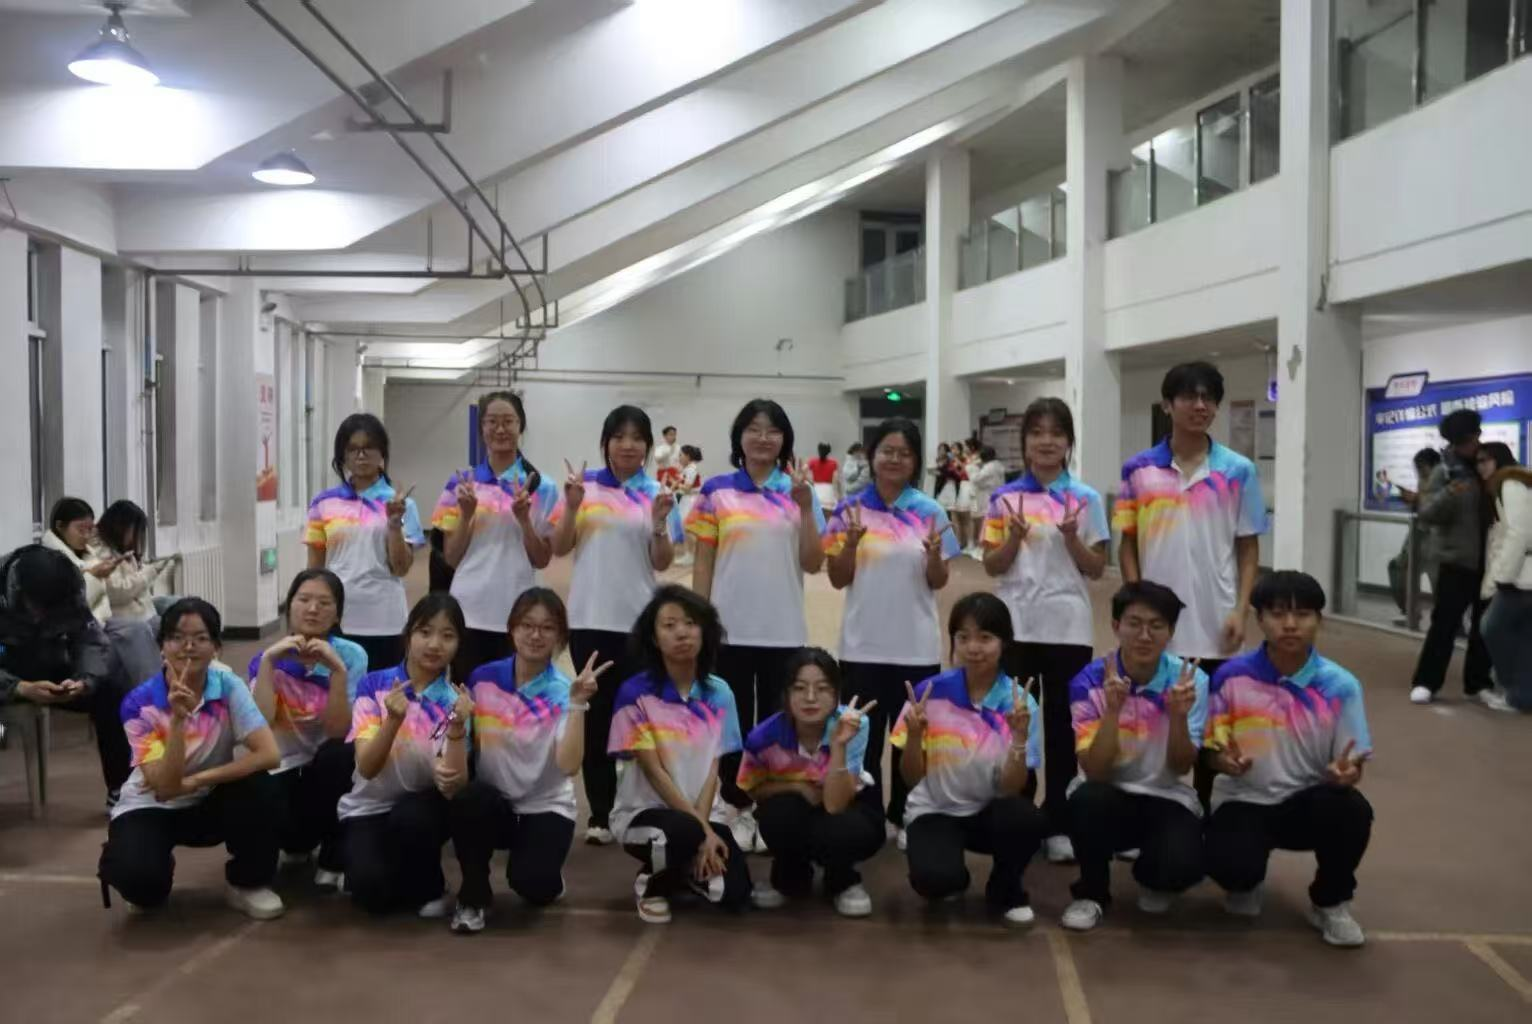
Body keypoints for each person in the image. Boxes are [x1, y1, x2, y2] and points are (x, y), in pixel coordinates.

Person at [1203, 571, 1374, 948]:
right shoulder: (1230, 677)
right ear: (1260, 619)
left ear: (1319, 620)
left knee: (1352, 810)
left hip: (1305, 803)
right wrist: (1223, 761)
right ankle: (1246, 881)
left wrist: (1347, 774)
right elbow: (1213, 753)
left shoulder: (1340, 685)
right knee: (1232, 869)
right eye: (1278, 614)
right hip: (1244, 800)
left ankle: (1330, 901)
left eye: (1303, 614)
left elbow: (1352, 762)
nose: (1291, 624)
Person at [688, 398, 825, 851]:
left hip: (782, 629)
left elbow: (813, 561)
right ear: (739, 437)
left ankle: (769, 810)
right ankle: (735, 805)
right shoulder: (716, 491)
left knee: (774, 726)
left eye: (773, 430)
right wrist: (700, 620)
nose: (763, 438)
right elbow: (704, 560)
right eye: (754, 429)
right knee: (729, 724)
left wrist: (805, 507)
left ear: (785, 440)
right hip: (729, 631)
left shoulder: (799, 491)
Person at [98, 598, 285, 919]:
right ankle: (147, 858)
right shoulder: (139, 703)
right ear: (162, 647)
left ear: (216, 648)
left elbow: (269, 754)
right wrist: (177, 721)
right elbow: (165, 787)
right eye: (177, 638)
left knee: (261, 787)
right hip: (151, 806)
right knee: (142, 886)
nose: (188, 647)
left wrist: (198, 780)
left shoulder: (228, 687)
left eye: (200, 638)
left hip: (207, 799)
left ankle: (247, 883)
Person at [982, 397, 1109, 863]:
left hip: (1067, 626)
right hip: (1015, 624)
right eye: (1037, 432)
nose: (1047, 441)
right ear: (1025, 441)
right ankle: (1019, 815)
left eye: (1056, 433)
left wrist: (1073, 538)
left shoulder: (1087, 498)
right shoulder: (1003, 498)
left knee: (1061, 727)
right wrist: (1013, 538)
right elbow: (991, 564)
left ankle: (1058, 821)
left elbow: (1096, 567)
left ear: (1069, 442)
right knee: (1016, 722)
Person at [549, 405, 680, 846]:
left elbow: (662, 561)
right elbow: (559, 546)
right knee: (597, 715)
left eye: (637, 437)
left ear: (647, 446)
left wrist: (659, 524)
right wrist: (571, 507)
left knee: (641, 717)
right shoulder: (582, 487)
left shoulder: (657, 493)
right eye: (619, 436)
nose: (628, 445)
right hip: (590, 618)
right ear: (605, 443)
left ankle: (641, 804)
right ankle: (601, 814)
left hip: (640, 623)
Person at [447, 588, 613, 933]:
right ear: (511, 629)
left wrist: (578, 704)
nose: (536, 635)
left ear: (560, 636)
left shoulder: (563, 691)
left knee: (533, 885)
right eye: (527, 625)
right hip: (496, 803)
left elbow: (568, 766)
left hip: (545, 806)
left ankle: (547, 876)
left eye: (547, 627)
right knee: (470, 800)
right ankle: (473, 897)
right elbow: (467, 748)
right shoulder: (482, 678)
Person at [825, 417, 958, 837]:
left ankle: (905, 812)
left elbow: (939, 580)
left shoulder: (930, 511)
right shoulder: (849, 510)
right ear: (872, 455)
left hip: (915, 646)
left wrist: (934, 556)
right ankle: (866, 816)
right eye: (887, 451)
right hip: (862, 644)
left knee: (910, 738)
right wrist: (850, 543)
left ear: (915, 460)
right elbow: (837, 578)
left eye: (904, 453)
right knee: (863, 735)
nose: (894, 460)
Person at [1059, 581, 1208, 932]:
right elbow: (1095, 770)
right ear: (1116, 626)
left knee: (1184, 865)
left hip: (1165, 795)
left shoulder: (1191, 681)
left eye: (1156, 625)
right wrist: (1113, 710)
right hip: (1107, 793)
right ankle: (1091, 893)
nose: (1144, 635)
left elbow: (1180, 766)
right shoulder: (1088, 681)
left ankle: (1153, 873)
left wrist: (1178, 717)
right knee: (1086, 801)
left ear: (1171, 631)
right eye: (1134, 623)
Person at [890, 592, 1045, 926]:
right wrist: (915, 736)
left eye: (985, 638)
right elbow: (912, 778)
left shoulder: (1019, 703)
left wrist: (1019, 738)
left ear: (1004, 643)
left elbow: (1012, 787)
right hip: (936, 810)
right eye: (964, 637)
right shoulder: (929, 693)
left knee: (1026, 819)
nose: (974, 647)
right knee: (935, 882)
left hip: (989, 810)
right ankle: (950, 875)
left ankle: (1005, 888)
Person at [608, 585, 750, 923]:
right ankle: (653, 884)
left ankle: (684, 870)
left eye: (690, 623)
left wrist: (706, 826)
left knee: (735, 893)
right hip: (646, 814)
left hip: (704, 812)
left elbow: (714, 768)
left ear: (705, 631)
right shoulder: (635, 694)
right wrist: (702, 832)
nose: (682, 632)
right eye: (669, 625)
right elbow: (655, 772)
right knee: (683, 833)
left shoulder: (720, 693)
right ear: (654, 638)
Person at [338, 593, 474, 916]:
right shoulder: (373, 685)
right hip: (369, 807)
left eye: (447, 636)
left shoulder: (455, 701)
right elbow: (367, 767)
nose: (434, 644)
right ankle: (390, 872)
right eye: (425, 632)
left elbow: (454, 787)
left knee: (412, 819)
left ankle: (430, 885)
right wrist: (393, 721)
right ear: (408, 634)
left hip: (420, 808)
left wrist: (457, 729)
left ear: (458, 644)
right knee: (370, 892)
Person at [738, 648, 884, 917]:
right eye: (799, 688)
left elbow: (835, 804)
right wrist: (797, 787)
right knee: (777, 814)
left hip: (842, 806)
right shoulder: (763, 736)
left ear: (837, 693)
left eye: (822, 688)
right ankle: (789, 875)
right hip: (795, 808)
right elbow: (753, 789)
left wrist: (838, 745)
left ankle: (842, 879)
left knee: (848, 828)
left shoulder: (855, 724)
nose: (810, 698)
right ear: (786, 694)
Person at [247, 569, 368, 891]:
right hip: (283, 767)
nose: (313, 609)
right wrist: (269, 664)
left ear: (337, 614)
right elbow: (260, 723)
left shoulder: (351, 655)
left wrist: (337, 670)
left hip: (326, 768)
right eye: (304, 600)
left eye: (324, 603)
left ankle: (333, 857)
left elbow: (339, 730)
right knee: (255, 780)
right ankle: (277, 853)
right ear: (289, 606)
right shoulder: (266, 658)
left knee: (340, 755)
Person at [433, 391, 559, 675]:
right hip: (468, 608)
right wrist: (466, 515)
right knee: (466, 690)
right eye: (492, 421)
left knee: (512, 693)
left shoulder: (542, 486)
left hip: (519, 610)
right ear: (481, 428)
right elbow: (451, 558)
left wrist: (524, 521)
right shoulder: (461, 483)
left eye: (508, 421)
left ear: (520, 426)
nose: (500, 429)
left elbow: (541, 559)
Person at [0, 544, 127, 801]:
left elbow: (90, 640)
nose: (42, 616)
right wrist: (19, 688)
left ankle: (120, 790)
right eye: (37, 608)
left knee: (111, 691)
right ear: (16, 590)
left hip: (44, 665)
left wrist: (84, 680)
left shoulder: (67, 586)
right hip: (5, 671)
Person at [307, 413, 426, 671]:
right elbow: (314, 571)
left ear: (382, 452)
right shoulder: (323, 503)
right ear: (343, 456)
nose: (361, 455)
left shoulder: (402, 504)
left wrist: (394, 523)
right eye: (352, 449)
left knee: (382, 691)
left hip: (385, 619)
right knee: (336, 690)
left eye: (368, 447)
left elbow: (401, 568)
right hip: (336, 618)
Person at [1408, 409, 1494, 705]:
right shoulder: (1443, 472)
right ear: (1457, 441)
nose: (1476, 443)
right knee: (1444, 625)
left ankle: (1478, 683)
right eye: (1470, 439)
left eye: (1477, 436)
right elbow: (1427, 512)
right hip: (1455, 561)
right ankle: (1426, 682)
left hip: (1488, 560)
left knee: (1483, 627)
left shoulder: (1485, 465)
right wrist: (1450, 493)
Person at [1479, 442, 1530, 712]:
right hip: (1523, 573)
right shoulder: (1517, 482)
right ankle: (1521, 695)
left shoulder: (1509, 483)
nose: (1481, 467)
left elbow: (1518, 533)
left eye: (1485, 460)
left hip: (1521, 576)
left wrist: (1502, 577)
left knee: (1492, 626)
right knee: (1525, 636)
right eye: (1478, 462)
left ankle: (1514, 689)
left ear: (1499, 460)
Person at [95, 499, 180, 624]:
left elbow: (137, 587)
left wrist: (141, 568)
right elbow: (118, 592)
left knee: (185, 606)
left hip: (144, 614)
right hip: (129, 621)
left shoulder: (121, 551)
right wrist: (151, 571)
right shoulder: (101, 553)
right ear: (120, 527)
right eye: (135, 531)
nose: (136, 538)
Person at [1385, 447, 1441, 615]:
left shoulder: (1445, 483)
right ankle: (1410, 611)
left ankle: (1446, 620)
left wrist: (1417, 499)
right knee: (1397, 568)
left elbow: (1439, 506)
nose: (1420, 475)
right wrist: (1414, 500)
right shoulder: (1424, 482)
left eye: (1423, 470)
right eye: (1418, 471)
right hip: (1419, 535)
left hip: (1436, 541)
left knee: (1439, 583)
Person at [40, 496, 112, 623]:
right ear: (60, 526)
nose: (86, 536)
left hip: (99, 623)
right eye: (81, 530)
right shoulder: (48, 562)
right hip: (76, 629)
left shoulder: (88, 554)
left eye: (90, 529)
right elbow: (68, 609)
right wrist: (93, 575)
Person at [966, 445, 1006, 557]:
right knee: (994, 525)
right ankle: (992, 548)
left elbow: (975, 479)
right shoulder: (998, 465)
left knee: (987, 525)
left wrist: (971, 466)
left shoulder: (989, 467)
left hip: (989, 497)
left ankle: (984, 549)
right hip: (998, 496)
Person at [675, 444, 704, 567]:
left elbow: (687, 487)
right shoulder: (687, 469)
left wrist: (676, 484)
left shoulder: (691, 469)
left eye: (681, 455)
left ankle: (692, 555)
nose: (679, 458)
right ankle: (690, 554)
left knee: (688, 528)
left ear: (688, 456)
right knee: (686, 528)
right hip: (687, 499)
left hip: (691, 499)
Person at [807, 442, 840, 509]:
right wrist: (838, 495)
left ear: (818, 450)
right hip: (829, 490)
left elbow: (803, 471)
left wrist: (811, 482)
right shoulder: (834, 463)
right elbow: (835, 480)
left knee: (816, 511)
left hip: (816, 489)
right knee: (828, 511)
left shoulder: (812, 462)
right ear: (829, 451)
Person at [653, 424, 682, 490]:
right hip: (664, 475)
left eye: (674, 434)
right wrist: (669, 449)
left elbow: (682, 463)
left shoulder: (679, 448)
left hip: (676, 475)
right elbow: (658, 458)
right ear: (665, 436)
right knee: (664, 493)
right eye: (671, 434)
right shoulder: (659, 448)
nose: (673, 436)